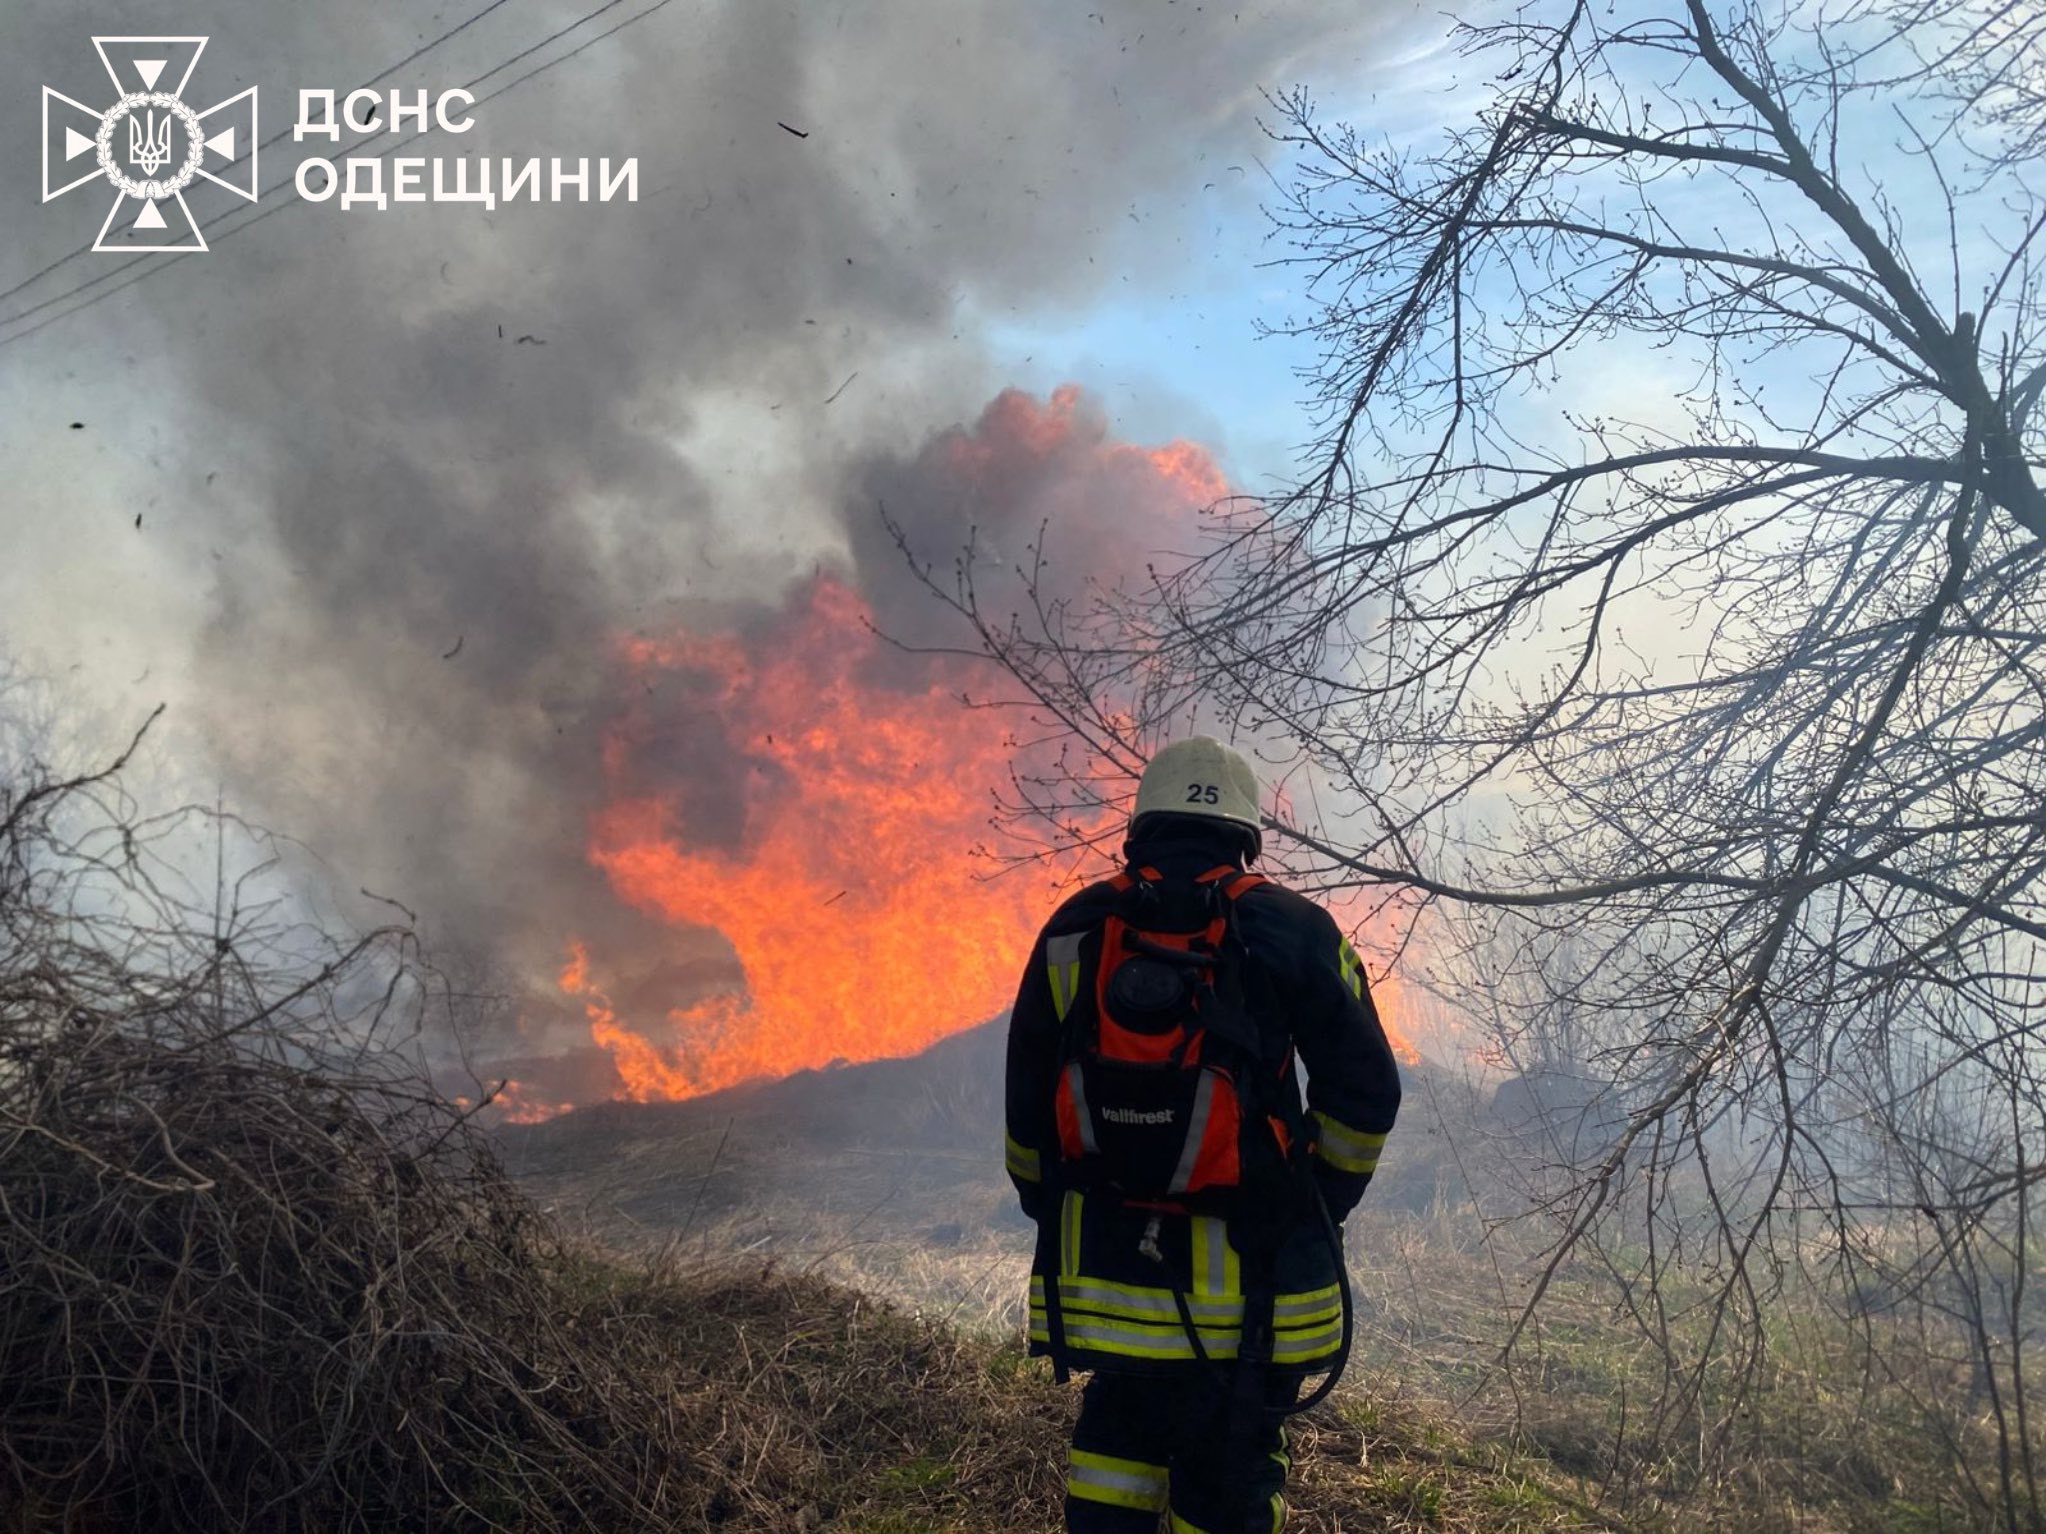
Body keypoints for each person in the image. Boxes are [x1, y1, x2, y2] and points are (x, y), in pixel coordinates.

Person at [1004, 736, 1403, 1533]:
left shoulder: (1075, 928)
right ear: (1246, 832)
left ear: (1142, 826)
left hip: (1108, 1287)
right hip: (1256, 1299)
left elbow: (1027, 1109)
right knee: (1226, 1483)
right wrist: (1315, 1198)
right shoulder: (1293, 928)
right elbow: (1366, 1092)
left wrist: (1068, 1206)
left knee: (1115, 1452)